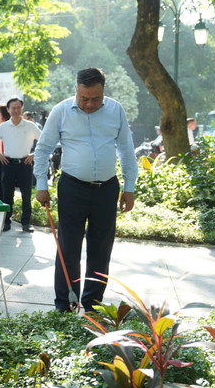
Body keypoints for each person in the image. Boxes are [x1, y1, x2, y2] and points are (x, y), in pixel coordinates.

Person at [33, 68, 137, 313]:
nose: (90, 104)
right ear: (75, 90)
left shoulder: (116, 110)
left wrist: (129, 188)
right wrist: (41, 185)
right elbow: (43, 149)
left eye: (96, 98)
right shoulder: (61, 112)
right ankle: (65, 304)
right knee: (68, 248)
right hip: (72, 187)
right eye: (84, 98)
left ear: (104, 91)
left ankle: (93, 305)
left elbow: (126, 150)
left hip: (107, 188)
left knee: (101, 249)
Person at [0, 98, 41, 233]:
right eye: (13, 108)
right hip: (8, 164)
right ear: (8, 110)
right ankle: (7, 222)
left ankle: (26, 222)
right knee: (7, 195)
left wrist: (34, 154)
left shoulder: (30, 126)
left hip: (25, 164)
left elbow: (43, 140)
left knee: (26, 195)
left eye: (18, 107)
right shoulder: (3, 126)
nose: (15, 110)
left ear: (22, 108)